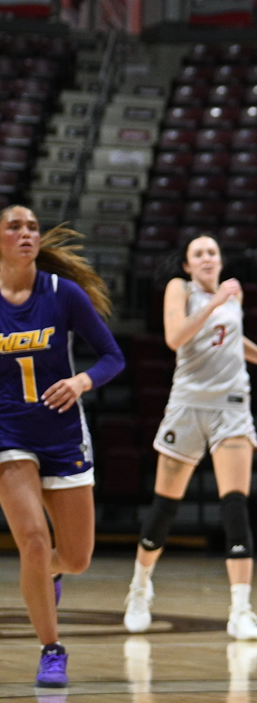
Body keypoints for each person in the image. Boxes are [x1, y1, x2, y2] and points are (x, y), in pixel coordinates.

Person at [124, 234, 257, 643]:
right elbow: (176, 337)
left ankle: (240, 610)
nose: (207, 258)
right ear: (188, 265)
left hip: (231, 406)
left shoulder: (233, 294)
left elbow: (228, 338)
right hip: (189, 405)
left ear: (221, 260)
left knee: (235, 505)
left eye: (212, 252)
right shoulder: (181, 290)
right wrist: (214, 302)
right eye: (199, 254)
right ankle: (139, 589)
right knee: (165, 507)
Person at [0, 206, 125, 689]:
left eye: (32, 227)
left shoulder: (63, 293)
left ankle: (47, 574)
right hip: (9, 433)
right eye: (15, 226)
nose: (26, 233)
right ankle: (52, 651)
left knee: (75, 559)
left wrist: (80, 381)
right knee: (33, 539)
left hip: (62, 433)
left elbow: (113, 356)